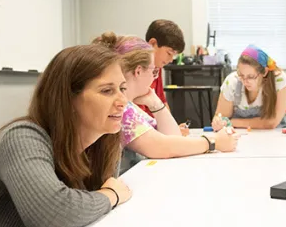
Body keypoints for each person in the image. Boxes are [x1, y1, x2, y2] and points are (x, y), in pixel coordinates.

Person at [0, 45, 133, 227]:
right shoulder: (21, 138)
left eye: (122, 88)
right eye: (107, 91)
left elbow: (94, 214)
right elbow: (54, 214)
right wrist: (111, 195)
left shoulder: (103, 141)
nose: (123, 101)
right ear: (67, 98)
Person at [93, 32, 238, 171]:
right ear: (138, 71)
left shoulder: (130, 107)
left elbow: (173, 137)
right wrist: (213, 142)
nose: (155, 78)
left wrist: (155, 103)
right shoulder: (122, 109)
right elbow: (162, 147)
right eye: (153, 71)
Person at [212, 45, 286, 130]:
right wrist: (218, 122)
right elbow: (221, 117)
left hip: (275, 136)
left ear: (264, 72)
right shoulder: (232, 82)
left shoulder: (279, 81)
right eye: (241, 75)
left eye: (251, 76)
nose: (245, 81)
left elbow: (271, 122)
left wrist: (231, 122)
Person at [138, 19, 190, 136]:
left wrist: (172, 126)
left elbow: (162, 102)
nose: (171, 59)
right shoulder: (137, 70)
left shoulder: (158, 67)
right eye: (169, 53)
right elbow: (136, 117)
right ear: (152, 44)